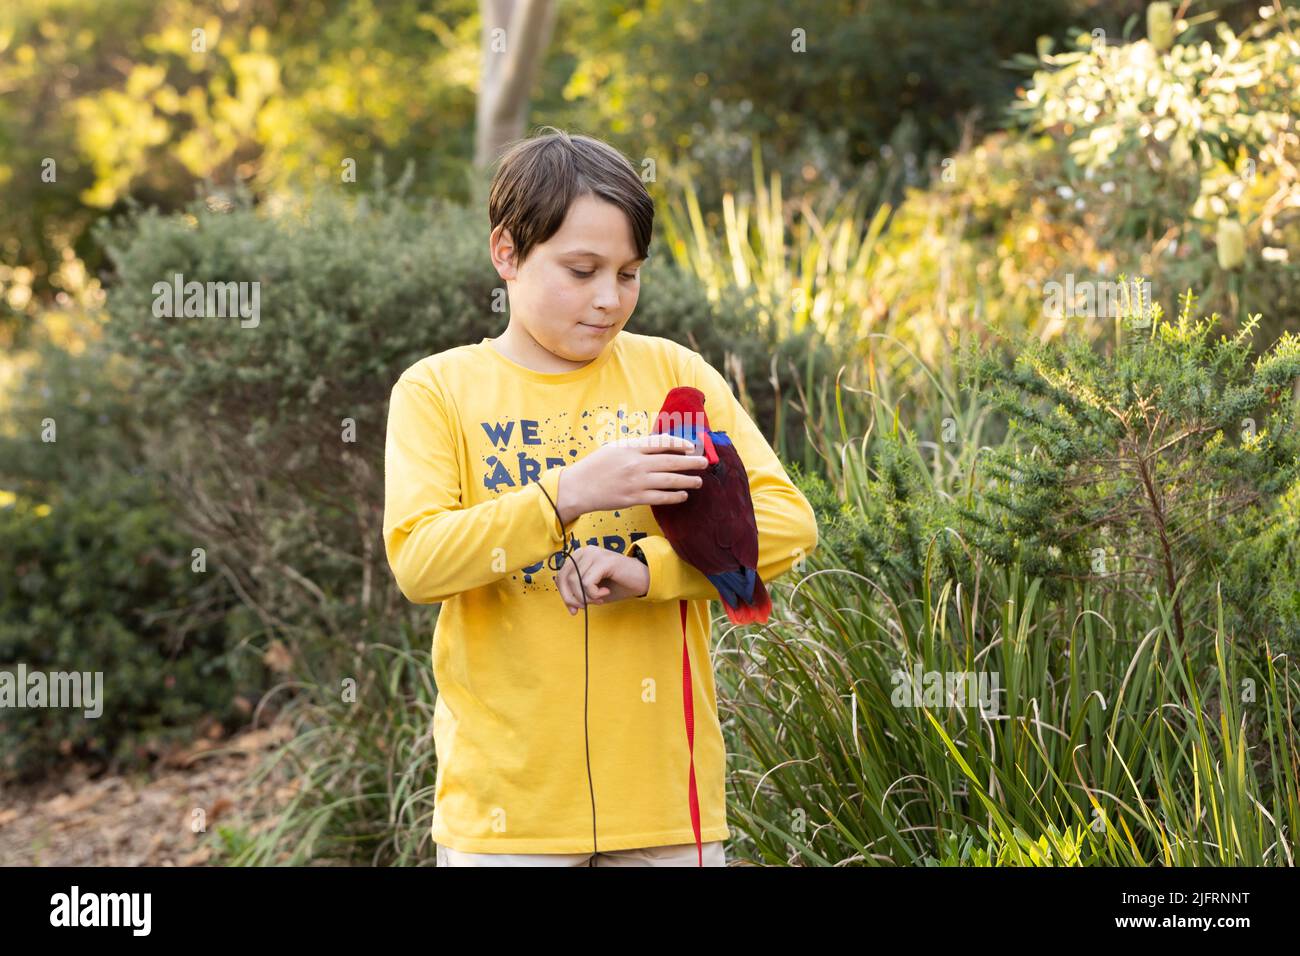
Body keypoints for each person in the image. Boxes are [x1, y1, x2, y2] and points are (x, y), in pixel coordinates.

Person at [382, 127, 819, 867]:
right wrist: (567, 492)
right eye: (581, 270)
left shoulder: (671, 374)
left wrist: (654, 572)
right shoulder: (439, 390)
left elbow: (786, 523)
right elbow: (421, 564)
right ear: (507, 254)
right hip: (506, 815)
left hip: (664, 807)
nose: (609, 299)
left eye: (628, 272)